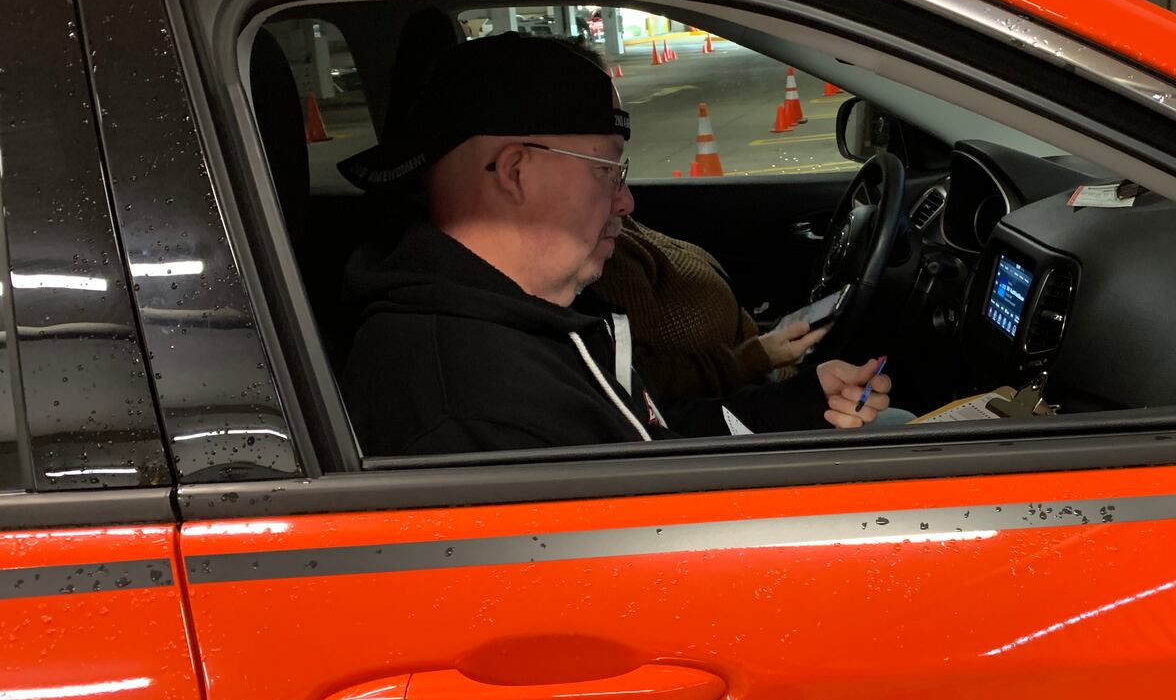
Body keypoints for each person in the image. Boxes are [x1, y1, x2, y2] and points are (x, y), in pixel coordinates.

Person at [336, 32, 890, 455]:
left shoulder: (523, 320)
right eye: (607, 170)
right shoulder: (475, 415)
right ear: (516, 172)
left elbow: (654, 431)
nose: (625, 202)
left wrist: (798, 402)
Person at [586, 215, 828, 400]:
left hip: (758, 371)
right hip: (724, 397)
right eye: (603, 171)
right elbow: (642, 379)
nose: (626, 200)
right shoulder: (606, 259)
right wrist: (748, 361)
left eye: (621, 173)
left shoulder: (621, 224)